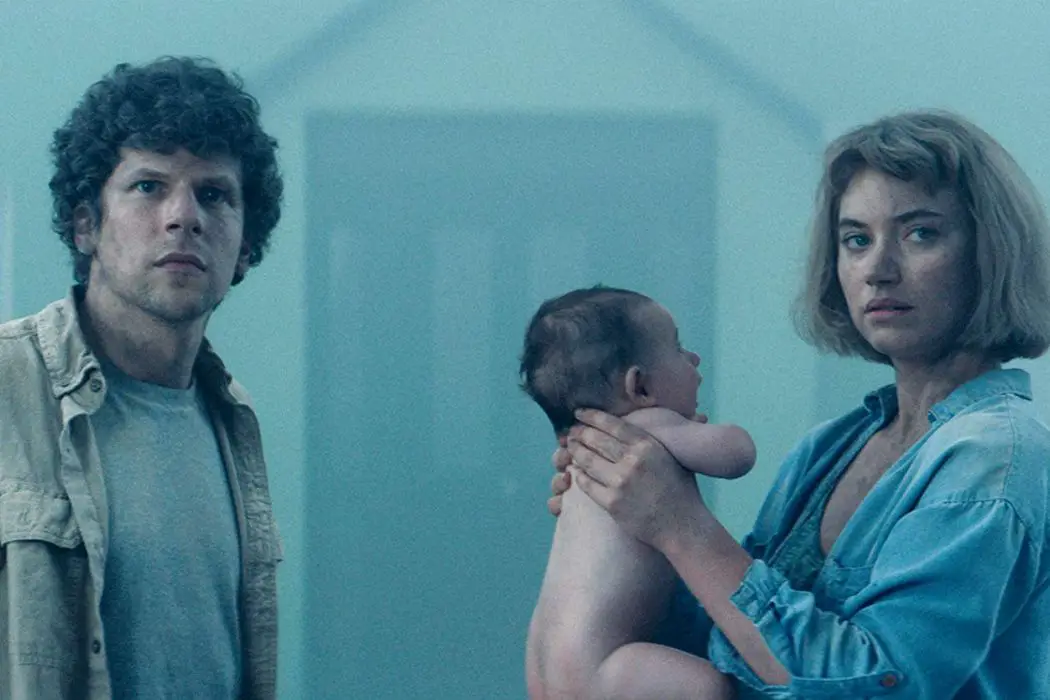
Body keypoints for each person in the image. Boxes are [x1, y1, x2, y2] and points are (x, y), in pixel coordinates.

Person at [529, 110, 1050, 699]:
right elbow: (732, 646)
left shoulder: (994, 461)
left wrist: (680, 525)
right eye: (857, 240)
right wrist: (617, 521)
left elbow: (885, 687)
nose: (877, 270)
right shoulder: (829, 448)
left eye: (920, 234)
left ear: (991, 254)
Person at [0, 57, 284, 699]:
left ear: (244, 247)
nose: (183, 216)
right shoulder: (10, 384)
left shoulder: (233, 421)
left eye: (214, 194)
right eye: (149, 186)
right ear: (86, 224)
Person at [520, 286, 755, 699]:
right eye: (678, 348)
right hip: (609, 667)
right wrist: (699, 432)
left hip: (546, 659)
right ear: (640, 387)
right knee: (711, 688)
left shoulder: (583, 454)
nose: (694, 358)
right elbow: (737, 456)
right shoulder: (647, 427)